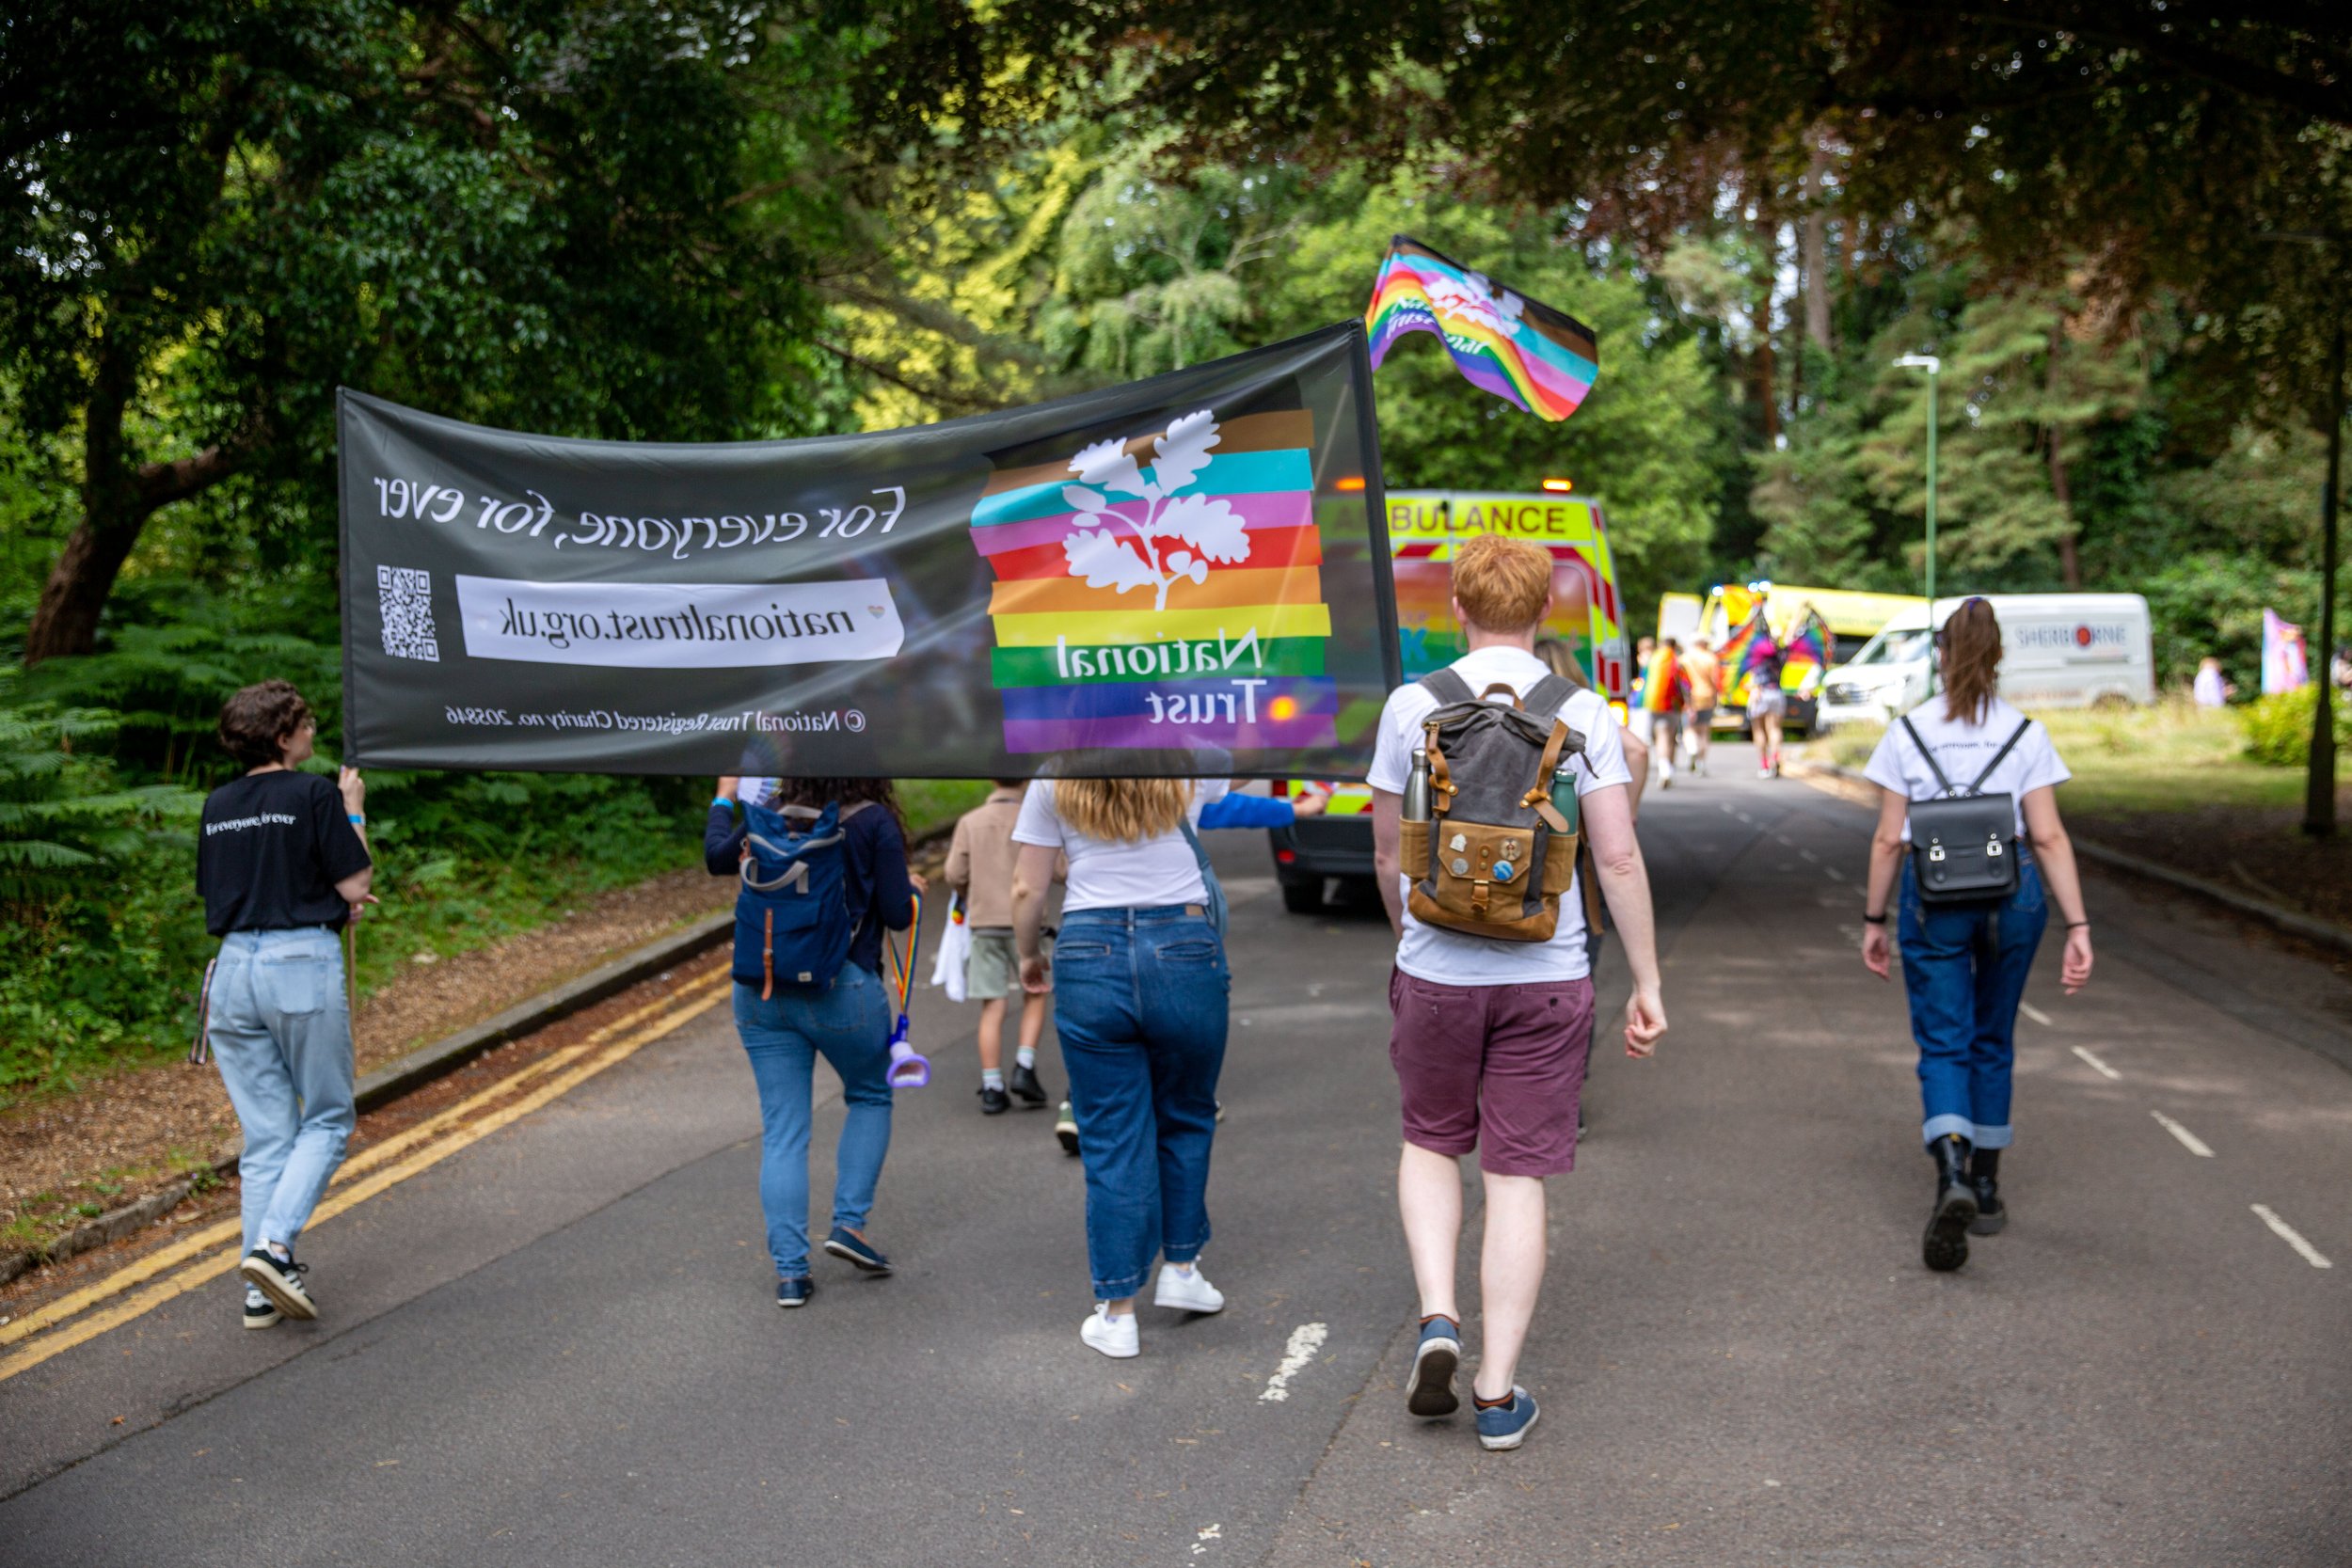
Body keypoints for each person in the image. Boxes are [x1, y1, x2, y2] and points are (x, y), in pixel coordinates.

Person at [1370, 535, 1668, 1451]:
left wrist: (1414, 940)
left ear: (1456, 605)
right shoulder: (1586, 713)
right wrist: (1648, 979)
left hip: (1435, 972)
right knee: (1517, 1175)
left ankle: (1436, 1316)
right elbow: (1614, 854)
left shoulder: (1410, 705)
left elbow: (1388, 852)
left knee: (1429, 1142)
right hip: (1547, 976)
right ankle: (1497, 1394)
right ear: (1546, 610)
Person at [1858, 596, 2095, 1273]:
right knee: (1994, 1035)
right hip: (2013, 891)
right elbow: (2047, 834)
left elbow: (1885, 838)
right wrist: (2078, 923)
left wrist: (1874, 920)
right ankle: (1987, 1189)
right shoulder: (2026, 732)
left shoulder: (1909, 732)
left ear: (1939, 654)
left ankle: (1952, 1169)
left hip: (1934, 895)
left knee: (1943, 1040)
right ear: (1997, 657)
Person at [1009, 776, 1232, 1359]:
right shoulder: (1187, 757)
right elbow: (1242, 751)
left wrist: (1030, 955)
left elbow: (1026, 889)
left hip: (1088, 950)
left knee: (1110, 1135)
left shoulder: (1052, 776)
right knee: (1186, 1113)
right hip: (1184, 945)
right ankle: (1181, 1268)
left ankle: (1118, 1312)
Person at [197, 681, 373, 1329]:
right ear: (281, 735)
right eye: (304, 720)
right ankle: (273, 1248)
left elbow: (227, 890)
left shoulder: (218, 804)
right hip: (299, 965)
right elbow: (354, 880)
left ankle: (257, 1288)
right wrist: (352, 811)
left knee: (268, 1134)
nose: (313, 726)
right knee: (327, 1118)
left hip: (233, 971)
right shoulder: (316, 793)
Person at [707, 774, 920, 1308]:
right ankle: (849, 1224)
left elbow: (716, 859)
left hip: (761, 987)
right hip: (842, 988)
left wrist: (723, 796)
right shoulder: (874, 820)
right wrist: (912, 890)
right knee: (870, 1094)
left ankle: (790, 1275)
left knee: (783, 1132)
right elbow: (897, 914)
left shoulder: (770, 811)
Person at [945, 782, 1055, 1116]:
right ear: (1024, 782)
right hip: (1029, 922)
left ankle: (992, 1086)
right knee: (1035, 994)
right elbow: (1061, 868)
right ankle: (1024, 1065)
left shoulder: (970, 821)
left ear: (992, 780)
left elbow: (953, 873)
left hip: (984, 923)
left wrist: (972, 892)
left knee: (993, 1005)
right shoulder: (1036, 816)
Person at [1534, 639, 1648, 819]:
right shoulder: (1586, 707)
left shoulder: (1518, 706)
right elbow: (1638, 750)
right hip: (1578, 816)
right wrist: (1630, 812)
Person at [1643, 638, 1690, 787]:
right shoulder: (1677, 660)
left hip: (1654, 705)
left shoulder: (1653, 659)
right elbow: (1685, 684)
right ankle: (1668, 770)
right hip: (1673, 705)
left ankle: (1665, 769)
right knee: (1670, 737)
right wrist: (1688, 702)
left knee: (1660, 737)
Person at [1746, 633, 1789, 778]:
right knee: (1775, 729)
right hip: (1777, 693)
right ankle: (1775, 757)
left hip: (1761, 692)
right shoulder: (1782, 654)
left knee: (1759, 730)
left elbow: (1753, 674)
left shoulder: (1759, 654)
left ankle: (1764, 765)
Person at [1683, 638, 1721, 776]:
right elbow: (1715, 681)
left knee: (1689, 728)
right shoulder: (1711, 658)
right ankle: (1701, 763)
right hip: (1707, 696)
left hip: (1689, 697)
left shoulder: (1685, 658)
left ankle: (1692, 749)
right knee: (1704, 730)